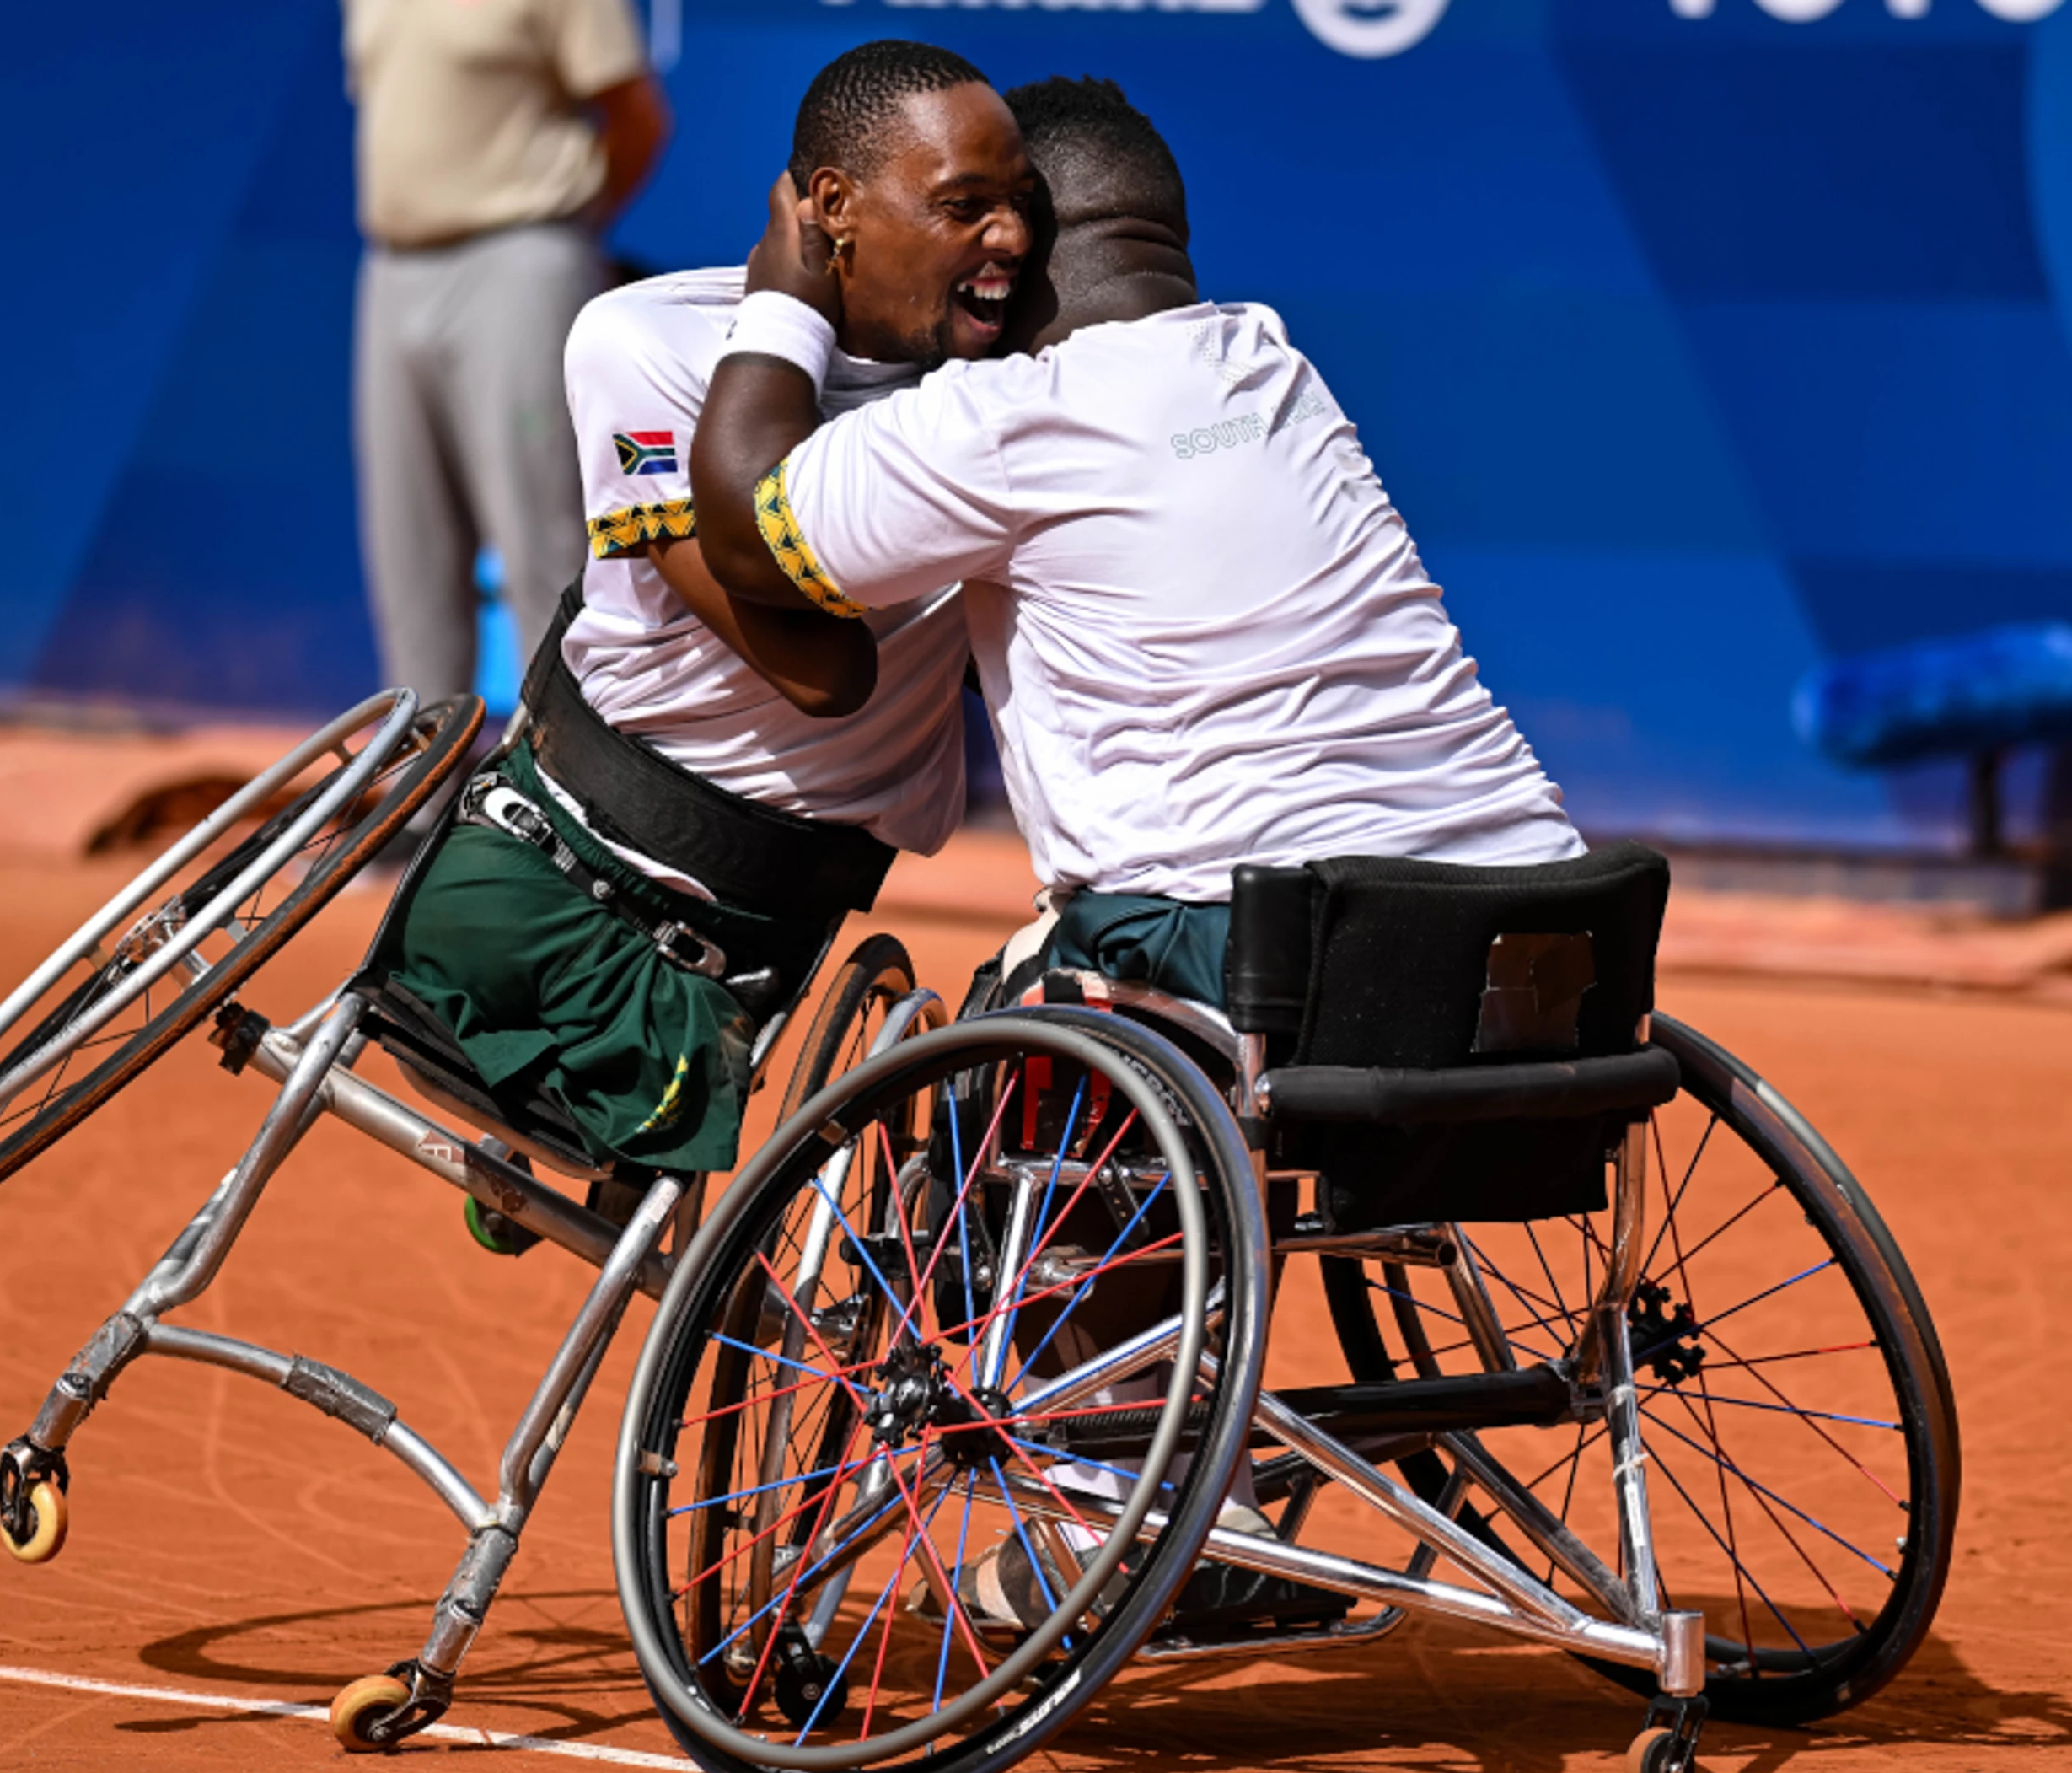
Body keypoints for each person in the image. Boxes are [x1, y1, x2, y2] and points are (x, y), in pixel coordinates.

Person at [690, 74, 1582, 1007]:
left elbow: (750, 536)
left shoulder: (1010, 417)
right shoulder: (1274, 367)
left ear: (1022, 247)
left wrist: (784, 299)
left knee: (1019, 993)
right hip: (1544, 915)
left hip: (1282, 946)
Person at [374, 40, 1031, 1207]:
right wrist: (782, 321)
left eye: (1019, 209)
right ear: (830, 207)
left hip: (761, 914)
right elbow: (815, 668)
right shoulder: (642, 339)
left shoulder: (1013, 409)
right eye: (964, 207)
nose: (1010, 241)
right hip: (579, 823)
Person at [342, 0, 672, 710]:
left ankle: (556, 792)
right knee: (410, 555)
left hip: (520, 256)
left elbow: (638, 117)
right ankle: (421, 804)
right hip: (391, 266)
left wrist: (560, 233)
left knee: (544, 545)